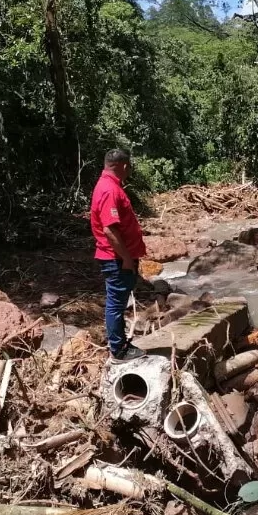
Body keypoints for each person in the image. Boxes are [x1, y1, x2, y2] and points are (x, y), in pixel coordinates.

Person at [90, 149, 147, 362]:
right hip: (115, 259)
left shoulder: (110, 187)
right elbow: (109, 230)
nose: (129, 170)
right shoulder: (109, 190)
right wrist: (126, 259)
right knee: (115, 304)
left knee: (118, 302)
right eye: (129, 166)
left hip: (117, 257)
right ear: (122, 166)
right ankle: (119, 350)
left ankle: (120, 344)